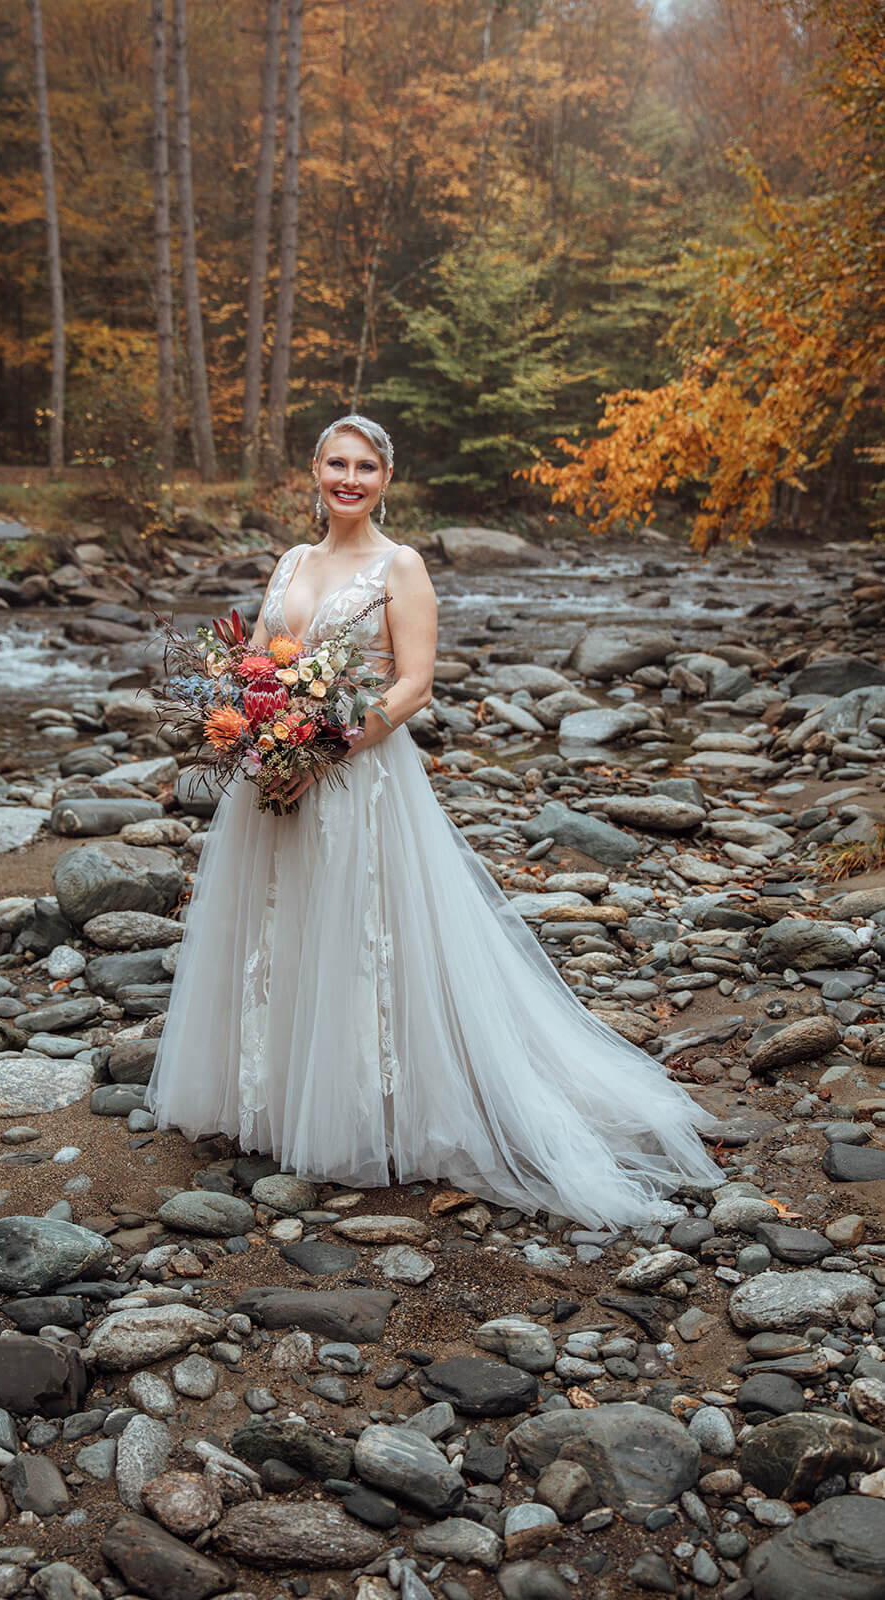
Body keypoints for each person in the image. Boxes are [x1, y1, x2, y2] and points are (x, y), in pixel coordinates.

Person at [144, 414, 722, 1226]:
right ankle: (275, 1097)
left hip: (355, 774)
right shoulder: (292, 560)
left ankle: (366, 1106)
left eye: (366, 467)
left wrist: (330, 744)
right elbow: (260, 663)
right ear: (314, 470)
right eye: (337, 463)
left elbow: (414, 683)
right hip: (274, 772)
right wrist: (254, 723)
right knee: (278, 920)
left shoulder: (400, 564)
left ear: (386, 479)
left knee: (361, 928)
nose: (350, 478)